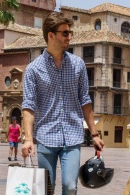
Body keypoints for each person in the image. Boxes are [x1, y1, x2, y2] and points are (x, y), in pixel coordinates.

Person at [21, 13, 104, 194]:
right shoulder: (33, 69)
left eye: (70, 32)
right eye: (65, 33)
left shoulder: (78, 65)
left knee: (70, 186)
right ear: (51, 35)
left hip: (72, 136)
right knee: (46, 190)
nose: (70, 37)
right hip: (45, 136)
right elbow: (28, 106)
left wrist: (95, 134)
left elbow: (85, 101)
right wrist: (28, 139)